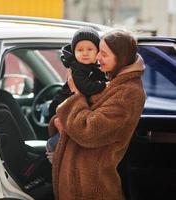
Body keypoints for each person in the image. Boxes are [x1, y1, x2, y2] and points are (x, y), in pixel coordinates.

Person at [49, 29, 146, 200]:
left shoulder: (129, 93)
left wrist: (75, 94)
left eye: (104, 53)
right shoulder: (111, 81)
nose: (98, 57)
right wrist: (58, 121)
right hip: (79, 181)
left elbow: (88, 130)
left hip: (92, 186)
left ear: (120, 57)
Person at [46, 27, 107, 156]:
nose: (85, 53)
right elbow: (84, 87)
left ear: (98, 51)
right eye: (80, 50)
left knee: (70, 131)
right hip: (64, 104)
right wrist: (103, 85)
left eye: (90, 49)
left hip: (73, 107)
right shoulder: (77, 68)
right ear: (74, 52)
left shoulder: (94, 67)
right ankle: (52, 145)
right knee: (67, 132)